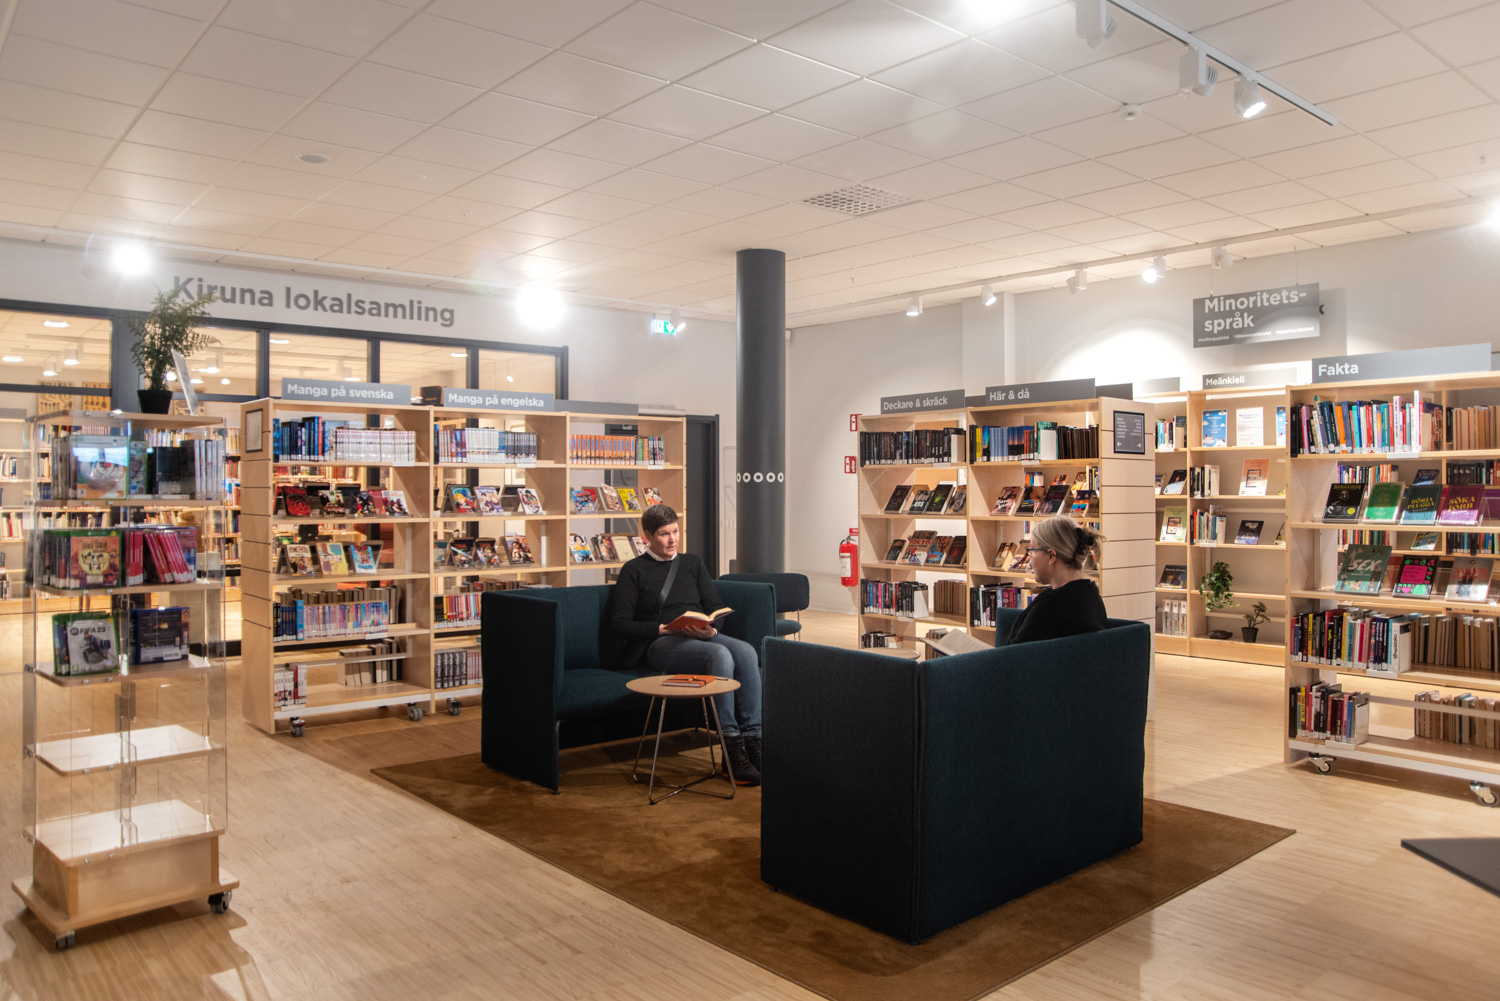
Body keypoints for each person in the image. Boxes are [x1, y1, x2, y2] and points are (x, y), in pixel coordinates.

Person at [607, 503, 763, 785]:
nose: (673, 540)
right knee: (720, 656)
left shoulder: (692, 563)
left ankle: (754, 739)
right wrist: (662, 628)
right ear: (647, 536)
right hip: (660, 642)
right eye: (664, 534)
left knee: (746, 651)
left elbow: (714, 605)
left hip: (699, 636)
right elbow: (619, 623)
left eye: (676, 532)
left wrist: (712, 629)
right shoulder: (633, 570)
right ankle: (730, 746)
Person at [1002, 515, 1109, 645]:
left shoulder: (1050, 605)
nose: (1030, 559)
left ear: (1051, 556)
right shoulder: (1092, 595)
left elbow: (1013, 653)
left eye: (1032, 551)